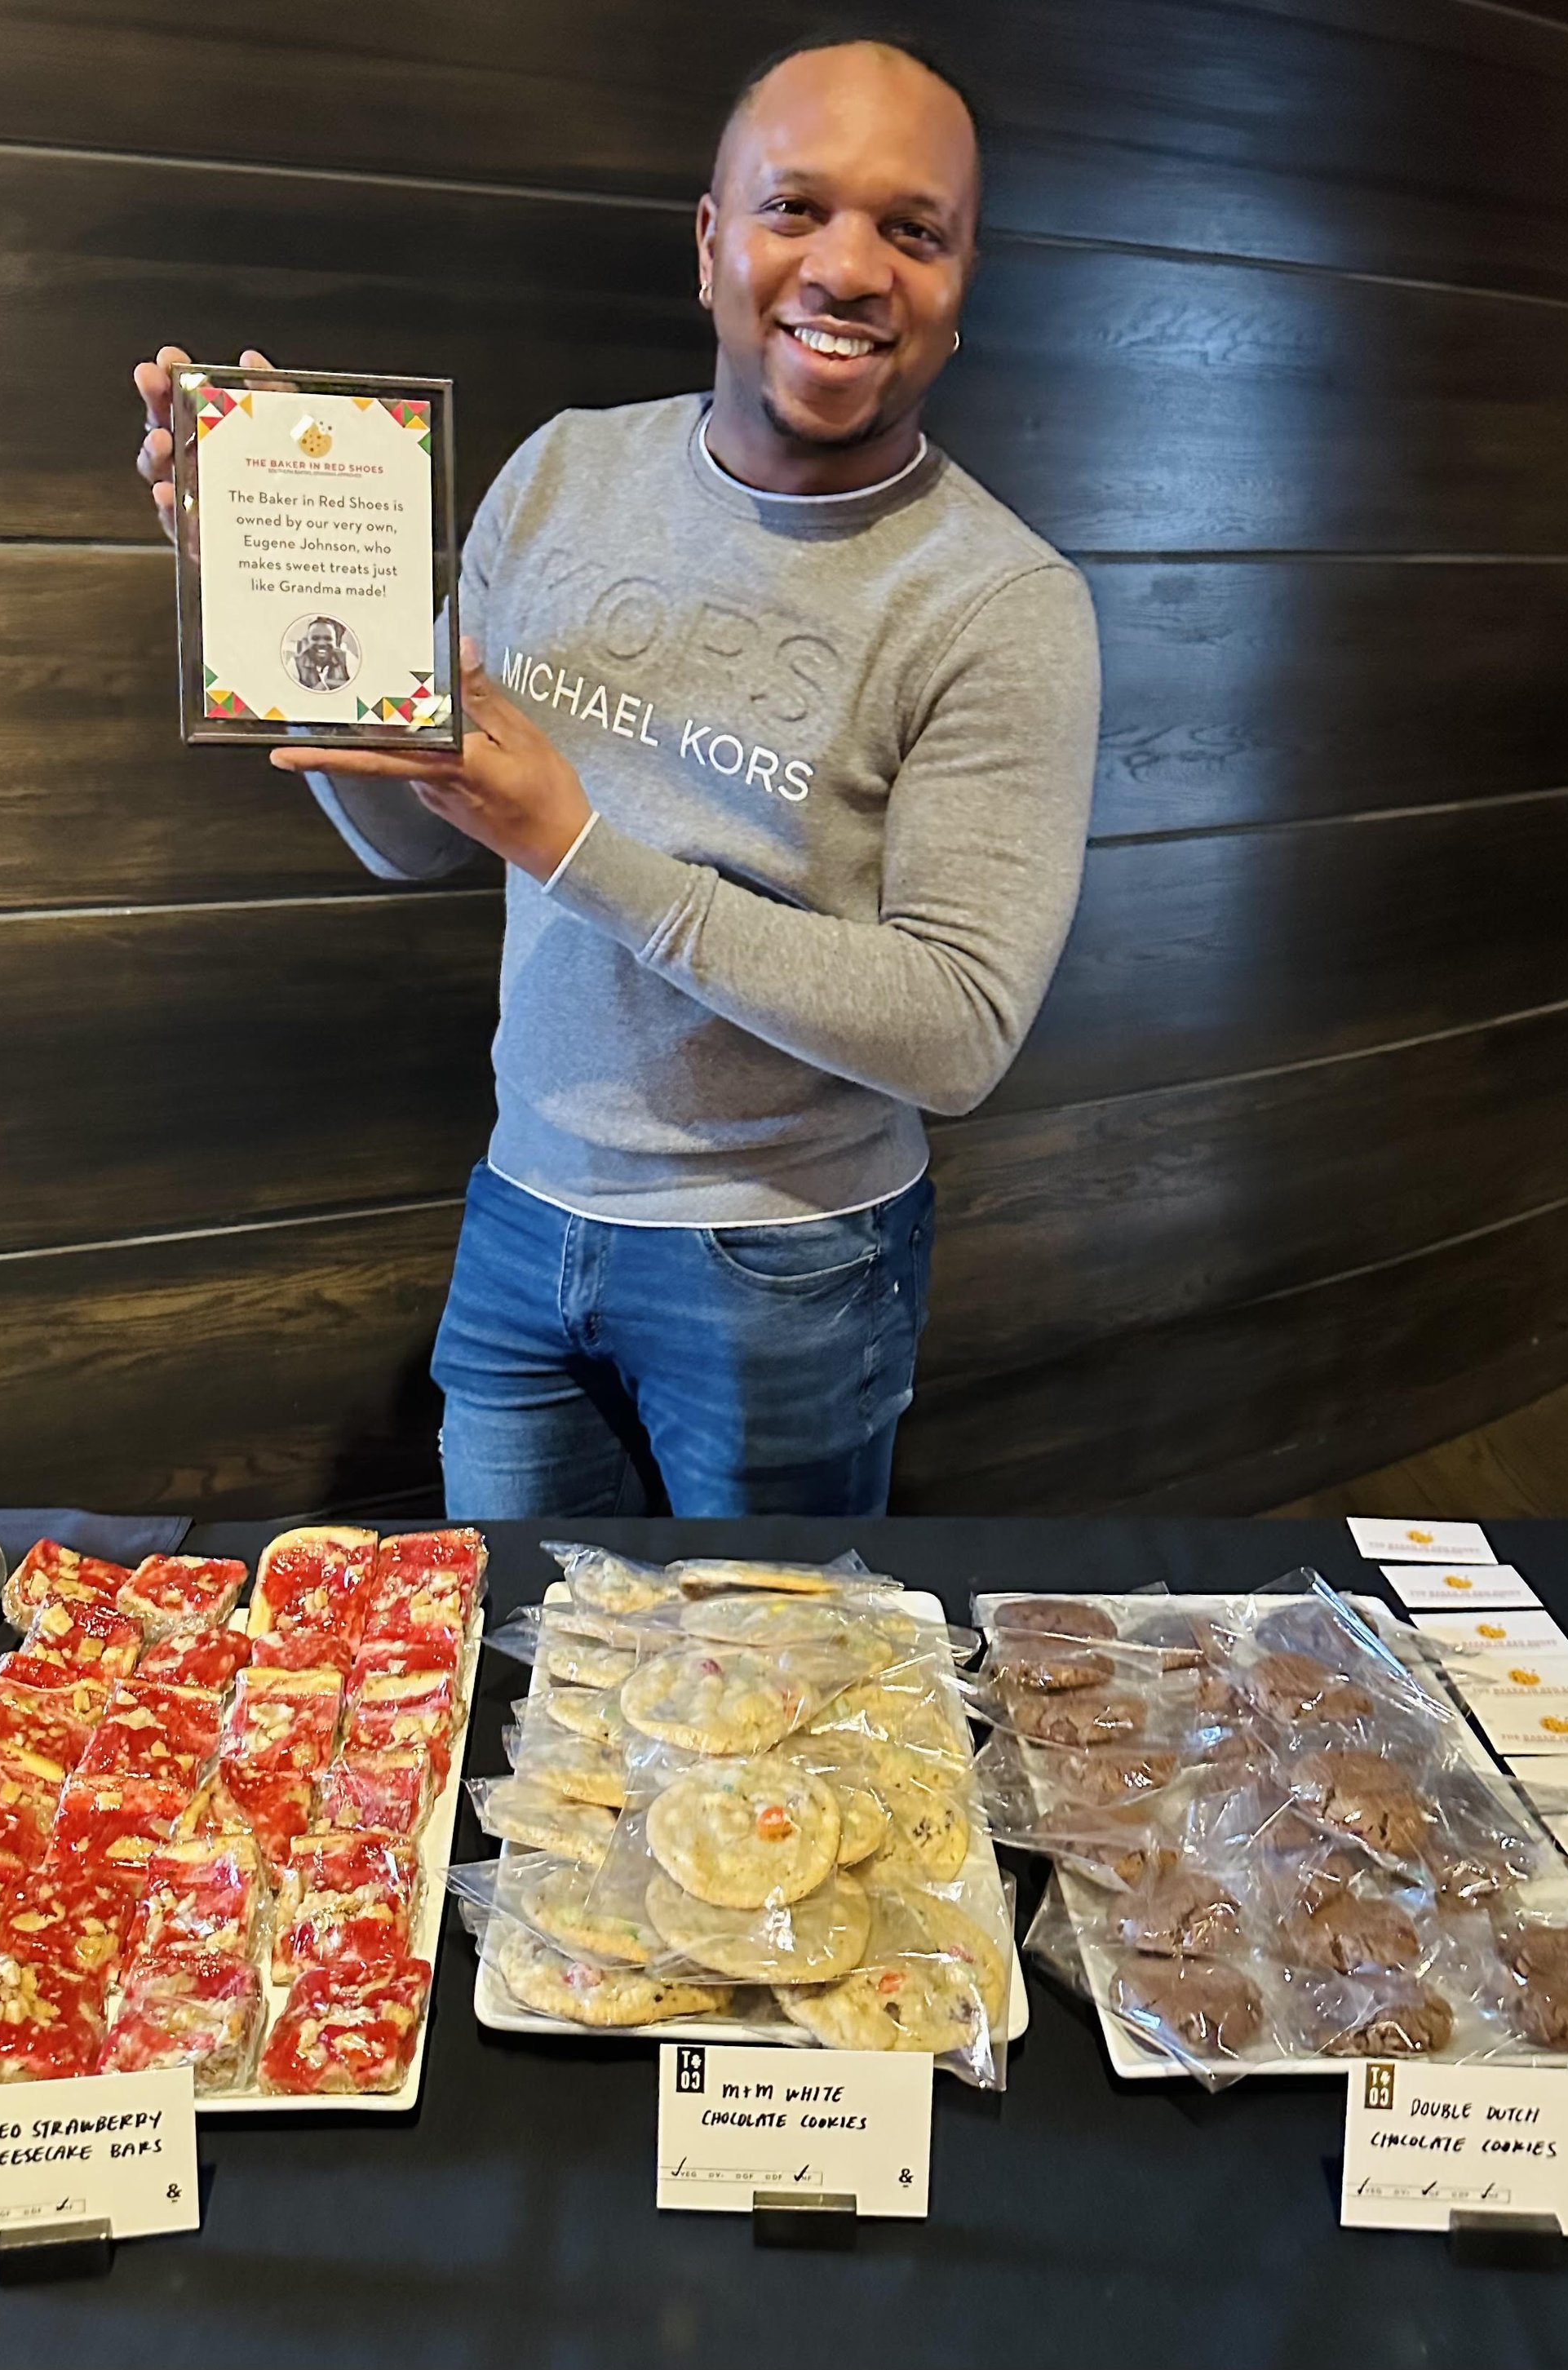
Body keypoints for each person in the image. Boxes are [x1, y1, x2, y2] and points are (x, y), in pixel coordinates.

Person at [134, 35, 1101, 1520]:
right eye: (796, 209)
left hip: (792, 1257)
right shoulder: (561, 474)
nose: (848, 268)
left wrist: (584, 850)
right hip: (524, 1205)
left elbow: (957, 1031)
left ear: (962, 282)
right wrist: (267, 608)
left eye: (913, 230)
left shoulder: (1000, 602)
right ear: (712, 242)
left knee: (761, 1703)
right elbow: (418, 842)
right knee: (521, 1682)